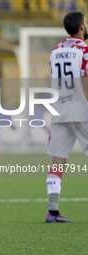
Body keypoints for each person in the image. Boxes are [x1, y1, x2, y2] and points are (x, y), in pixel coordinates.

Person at [46, 11, 88, 223]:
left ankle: (52, 211)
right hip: (81, 110)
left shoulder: (55, 51)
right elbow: (85, 81)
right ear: (82, 26)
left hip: (58, 111)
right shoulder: (86, 51)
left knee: (57, 162)